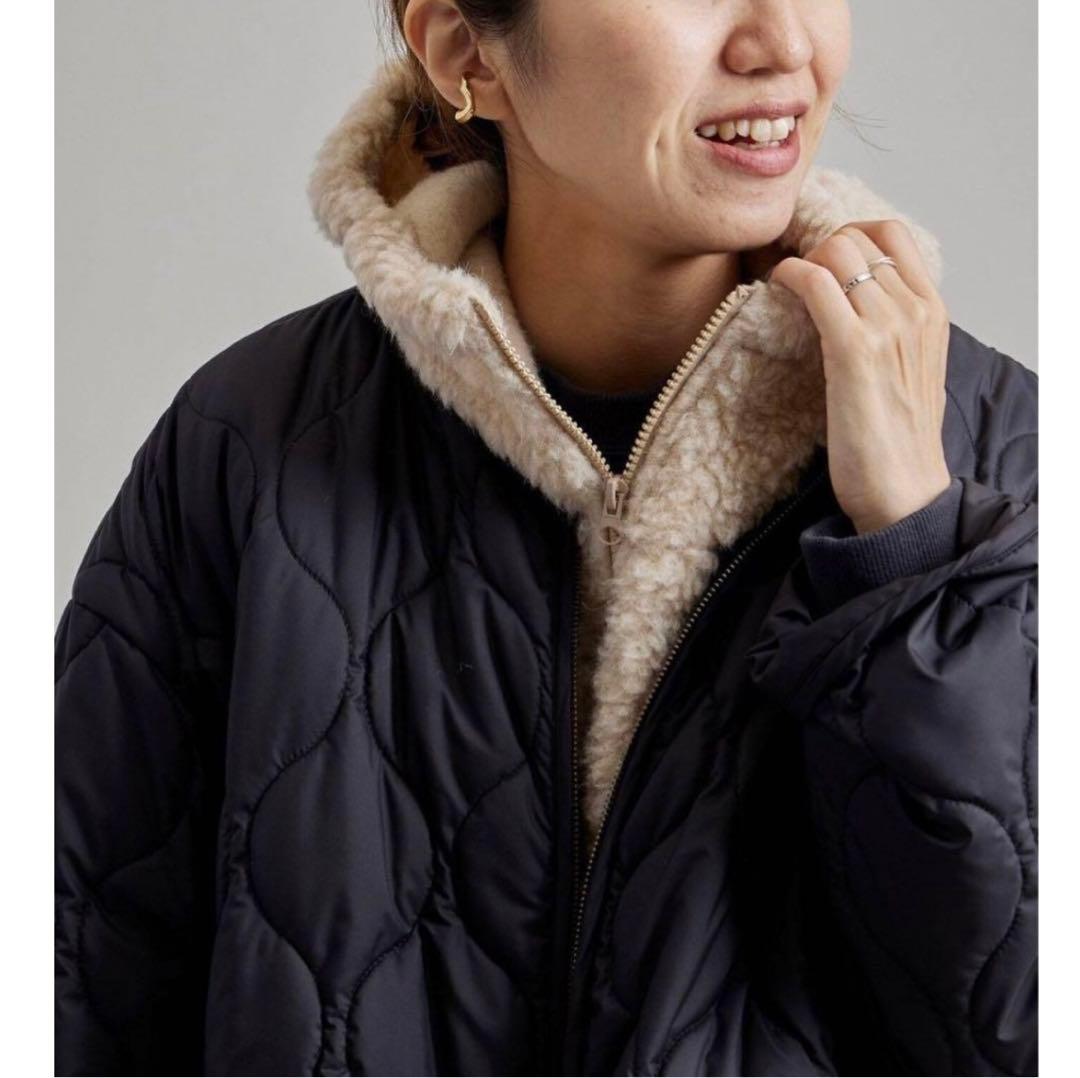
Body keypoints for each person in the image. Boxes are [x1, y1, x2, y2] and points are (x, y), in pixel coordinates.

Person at [54, 0, 1038, 1074]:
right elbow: (77, 990)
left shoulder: (998, 454)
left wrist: (915, 558)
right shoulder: (251, 445)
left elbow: (1011, 1021)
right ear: (464, 49)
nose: (786, 44)